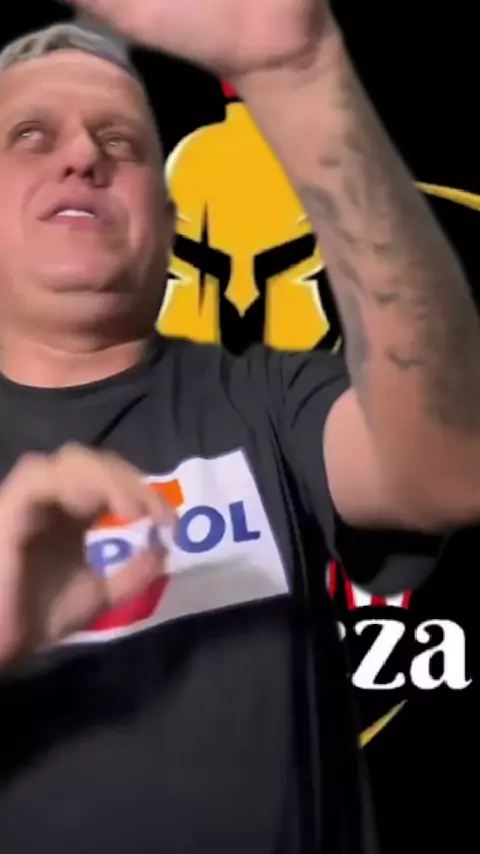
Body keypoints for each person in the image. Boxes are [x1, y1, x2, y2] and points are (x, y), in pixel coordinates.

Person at [0, 0, 478, 850]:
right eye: (30, 135)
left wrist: (305, 77)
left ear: (170, 225)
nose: (83, 156)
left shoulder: (267, 395)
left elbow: (448, 469)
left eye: (121, 141)